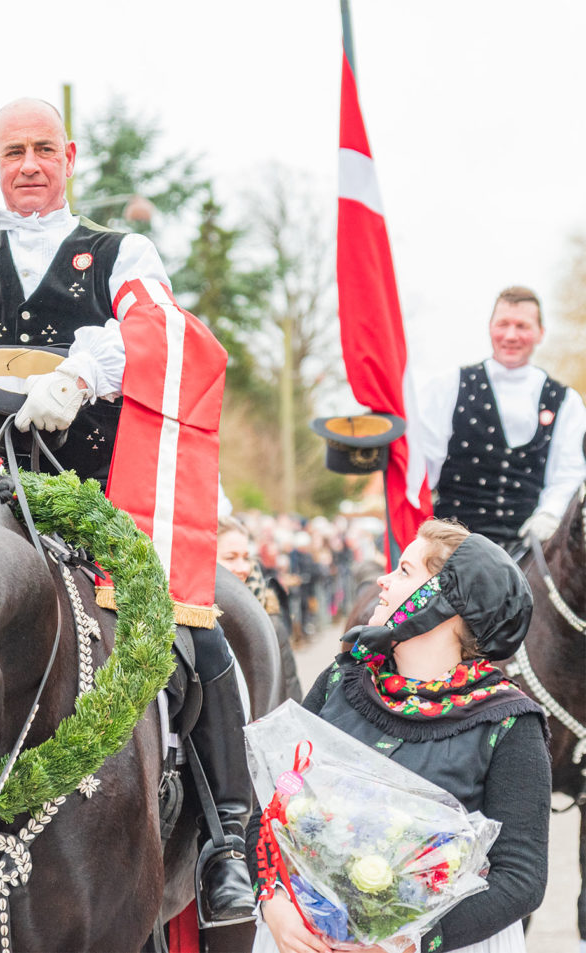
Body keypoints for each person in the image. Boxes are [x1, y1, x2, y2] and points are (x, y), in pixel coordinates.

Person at [0, 98, 253, 926]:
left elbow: (154, 321)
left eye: (43, 149)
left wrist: (80, 373)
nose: (29, 163)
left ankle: (224, 842)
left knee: (193, 630)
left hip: (96, 494)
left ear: (69, 157)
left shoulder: (119, 249)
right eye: (12, 152)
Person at [246, 519, 550, 953]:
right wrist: (272, 899)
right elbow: (271, 805)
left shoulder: (507, 722)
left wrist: (406, 941)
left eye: (404, 572)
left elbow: (520, 878)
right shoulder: (343, 680)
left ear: (444, 601)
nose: (382, 582)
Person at [416, 286, 586, 549]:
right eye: (503, 324)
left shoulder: (567, 402)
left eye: (522, 326)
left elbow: (569, 472)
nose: (510, 335)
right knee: (421, 593)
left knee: (552, 591)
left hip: (526, 549)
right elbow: (422, 463)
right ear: (489, 327)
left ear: (541, 333)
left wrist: (550, 513)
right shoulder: (447, 386)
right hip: (448, 548)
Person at [217, 516, 302, 703]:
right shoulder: (194, 620)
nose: (243, 568)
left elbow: (290, 689)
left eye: (246, 557)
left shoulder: (268, 616)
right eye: (231, 558)